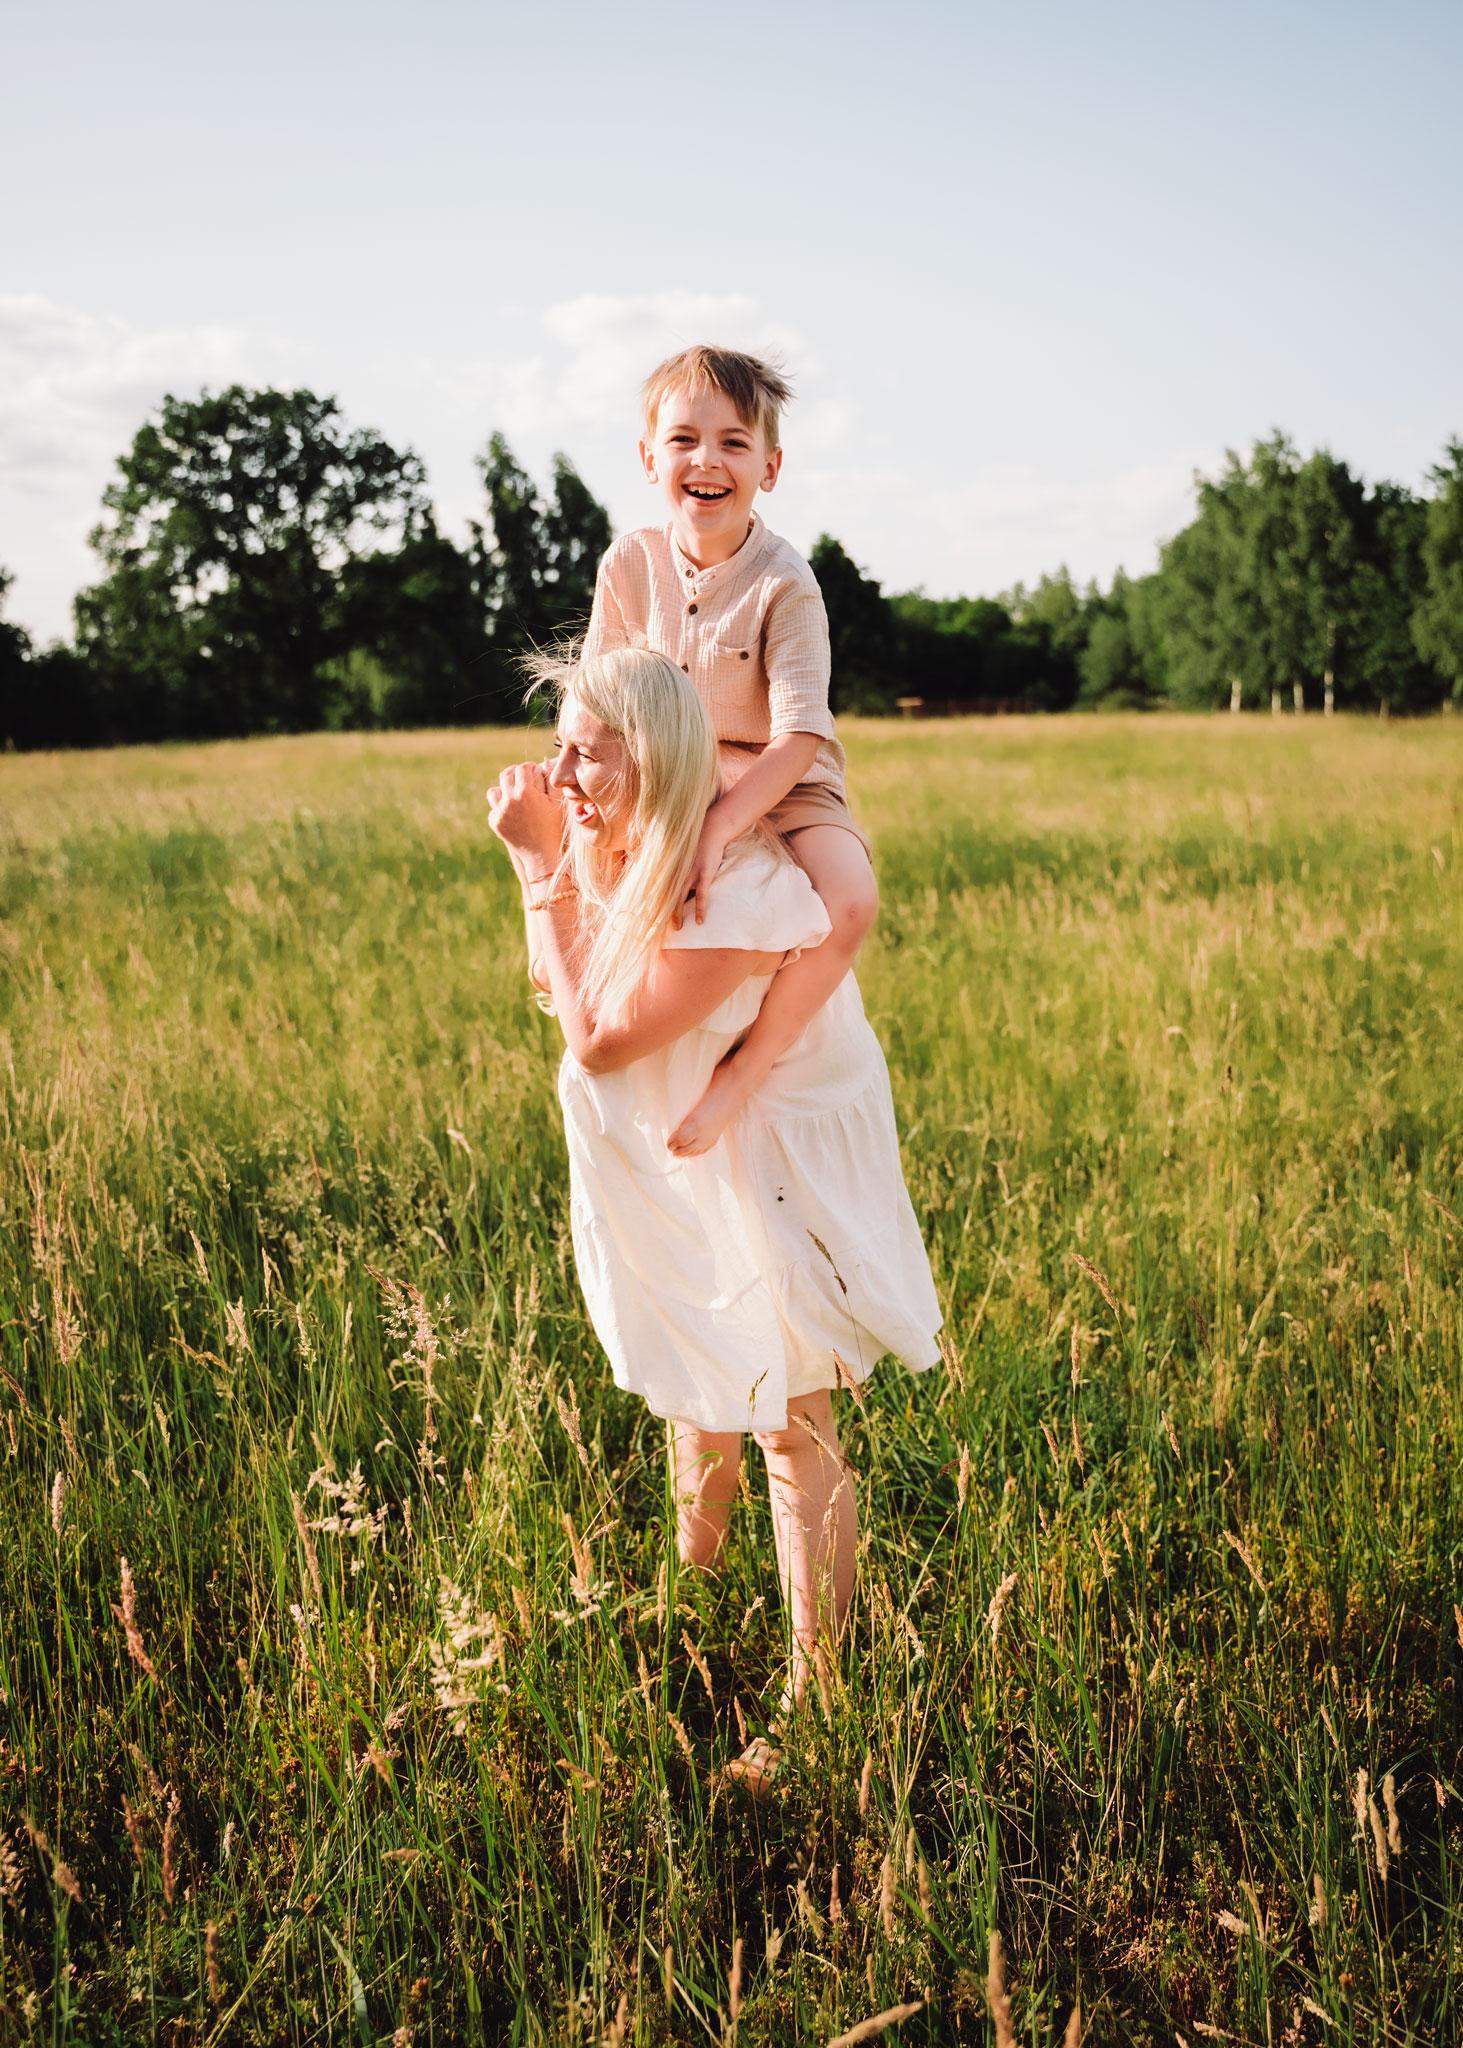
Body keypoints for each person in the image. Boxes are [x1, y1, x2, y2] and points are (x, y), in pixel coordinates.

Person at [485, 646, 941, 1792]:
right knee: (699, 1367)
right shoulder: (623, 840)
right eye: (557, 748)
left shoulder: (732, 890)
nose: (560, 773)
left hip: (772, 1138)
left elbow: (598, 1038)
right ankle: (684, 1597)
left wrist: (537, 869)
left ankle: (817, 1696)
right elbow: (559, 985)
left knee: (792, 1415)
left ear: (654, 755)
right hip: (687, 1134)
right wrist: (562, 863)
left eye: (587, 754)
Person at [583, 343, 878, 1162]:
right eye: (683, 439)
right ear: (649, 458)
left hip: (783, 776)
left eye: (733, 443)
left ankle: (745, 1068)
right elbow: (600, 696)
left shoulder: (785, 581)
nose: (706, 460)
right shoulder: (629, 563)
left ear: (769, 468)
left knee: (850, 899)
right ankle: (583, 988)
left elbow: (800, 733)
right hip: (667, 772)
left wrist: (716, 828)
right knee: (585, 843)